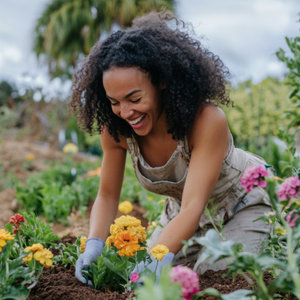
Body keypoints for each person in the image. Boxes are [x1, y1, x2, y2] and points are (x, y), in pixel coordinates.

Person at [71, 11, 272, 285]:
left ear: (162, 81)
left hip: (238, 206)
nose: (125, 112)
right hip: (182, 217)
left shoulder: (205, 121)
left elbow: (194, 204)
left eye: (134, 98)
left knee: (219, 282)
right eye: (114, 102)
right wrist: (94, 243)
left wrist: (157, 258)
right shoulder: (115, 131)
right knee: (140, 284)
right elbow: (106, 196)